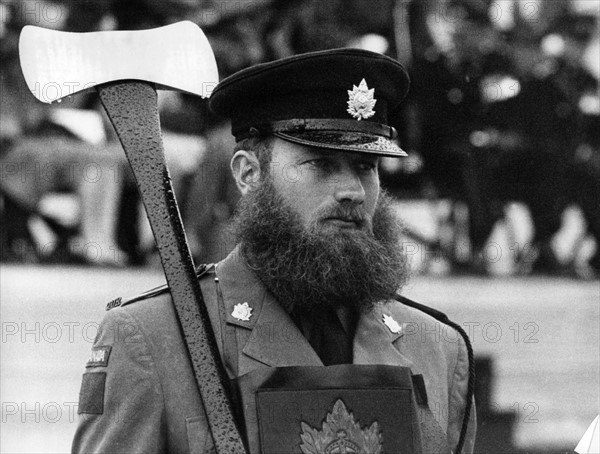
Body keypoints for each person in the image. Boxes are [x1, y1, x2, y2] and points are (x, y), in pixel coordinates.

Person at [72, 49, 476, 453]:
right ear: (249, 174)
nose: (352, 191)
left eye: (365, 167)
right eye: (320, 164)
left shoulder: (438, 349)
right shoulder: (152, 338)